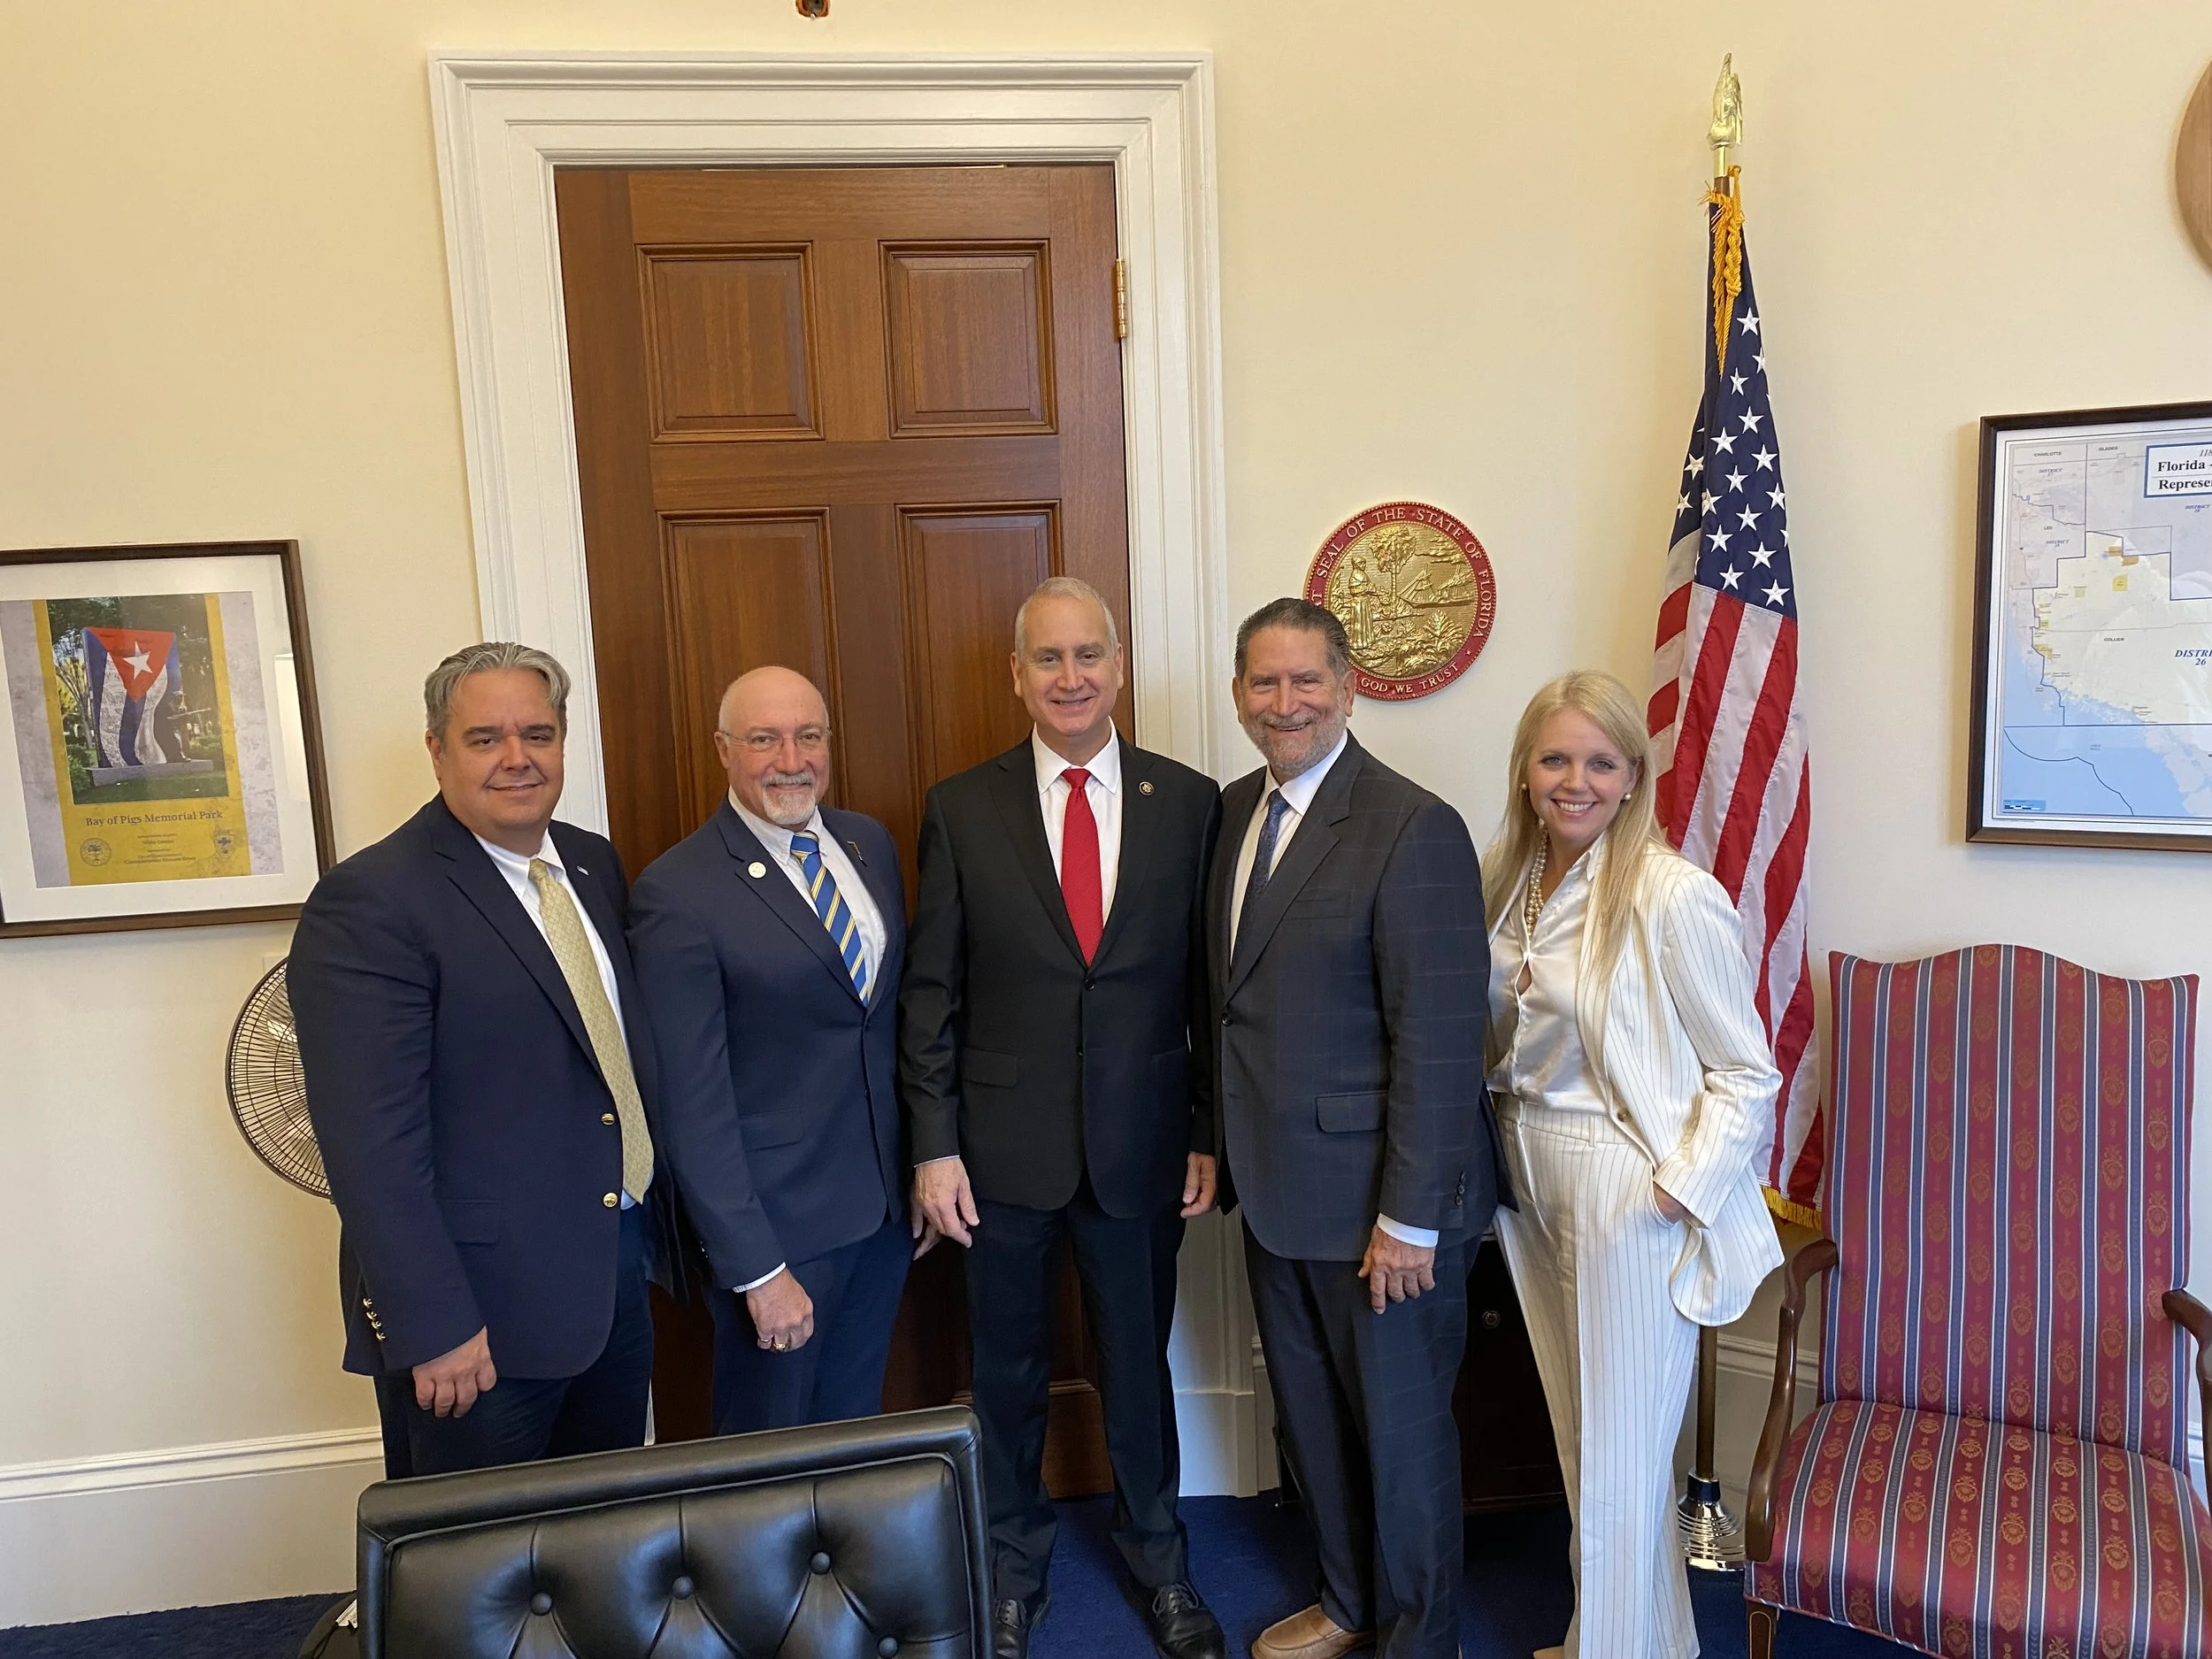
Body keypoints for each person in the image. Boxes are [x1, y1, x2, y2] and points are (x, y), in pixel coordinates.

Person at [901, 576, 1226, 1659]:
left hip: (1141, 1150)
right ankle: (1012, 1569)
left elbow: (1206, 991)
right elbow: (932, 993)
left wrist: (1205, 1131)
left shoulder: (1190, 803)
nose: (1071, 677)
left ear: (1120, 666)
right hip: (997, 1158)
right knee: (1005, 1374)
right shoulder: (960, 806)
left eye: (1089, 655)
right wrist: (935, 1145)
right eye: (1048, 659)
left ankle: (1162, 1564)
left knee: (1139, 1367)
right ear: (1017, 676)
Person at [288, 641, 674, 1479]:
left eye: (537, 733)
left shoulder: (590, 861)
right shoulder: (373, 900)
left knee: (600, 1543)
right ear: (437, 748)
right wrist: (434, 1325)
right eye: (484, 738)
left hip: (610, 1278)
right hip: (477, 1323)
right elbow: (369, 1144)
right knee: (472, 1574)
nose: (516, 758)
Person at [1209, 597, 1502, 1659]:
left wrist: (1411, 1220)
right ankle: (1347, 1605)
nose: (1283, 703)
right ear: (1238, 693)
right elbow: (1230, 1002)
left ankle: (1424, 1639)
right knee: (1314, 1424)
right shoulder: (1236, 811)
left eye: (1305, 681)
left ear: (1348, 686)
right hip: (1274, 1192)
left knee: (1404, 1443)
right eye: (1262, 682)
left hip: (1386, 1211)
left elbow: (1437, 1037)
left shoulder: (1411, 823)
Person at [1482, 670, 1783, 1659]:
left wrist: (1673, 1186)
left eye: (1599, 761)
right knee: (1585, 1445)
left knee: (1616, 1459)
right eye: (1555, 758)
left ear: (1630, 776)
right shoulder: (1507, 879)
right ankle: (1636, 1641)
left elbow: (1747, 1072)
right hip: (1522, 1178)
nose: (1575, 780)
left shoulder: (1670, 894)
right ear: (1526, 771)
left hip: (1621, 1183)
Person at [628, 666, 909, 1435]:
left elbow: (878, 1027)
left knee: (852, 1439)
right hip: (776, 1235)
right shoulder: (676, 892)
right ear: (724, 750)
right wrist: (756, 1267)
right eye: (764, 738)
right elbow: (691, 1103)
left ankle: (841, 1566)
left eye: (808, 735)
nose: (792, 757)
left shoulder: (867, 843)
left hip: (879, 1217)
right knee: (768, 1461)